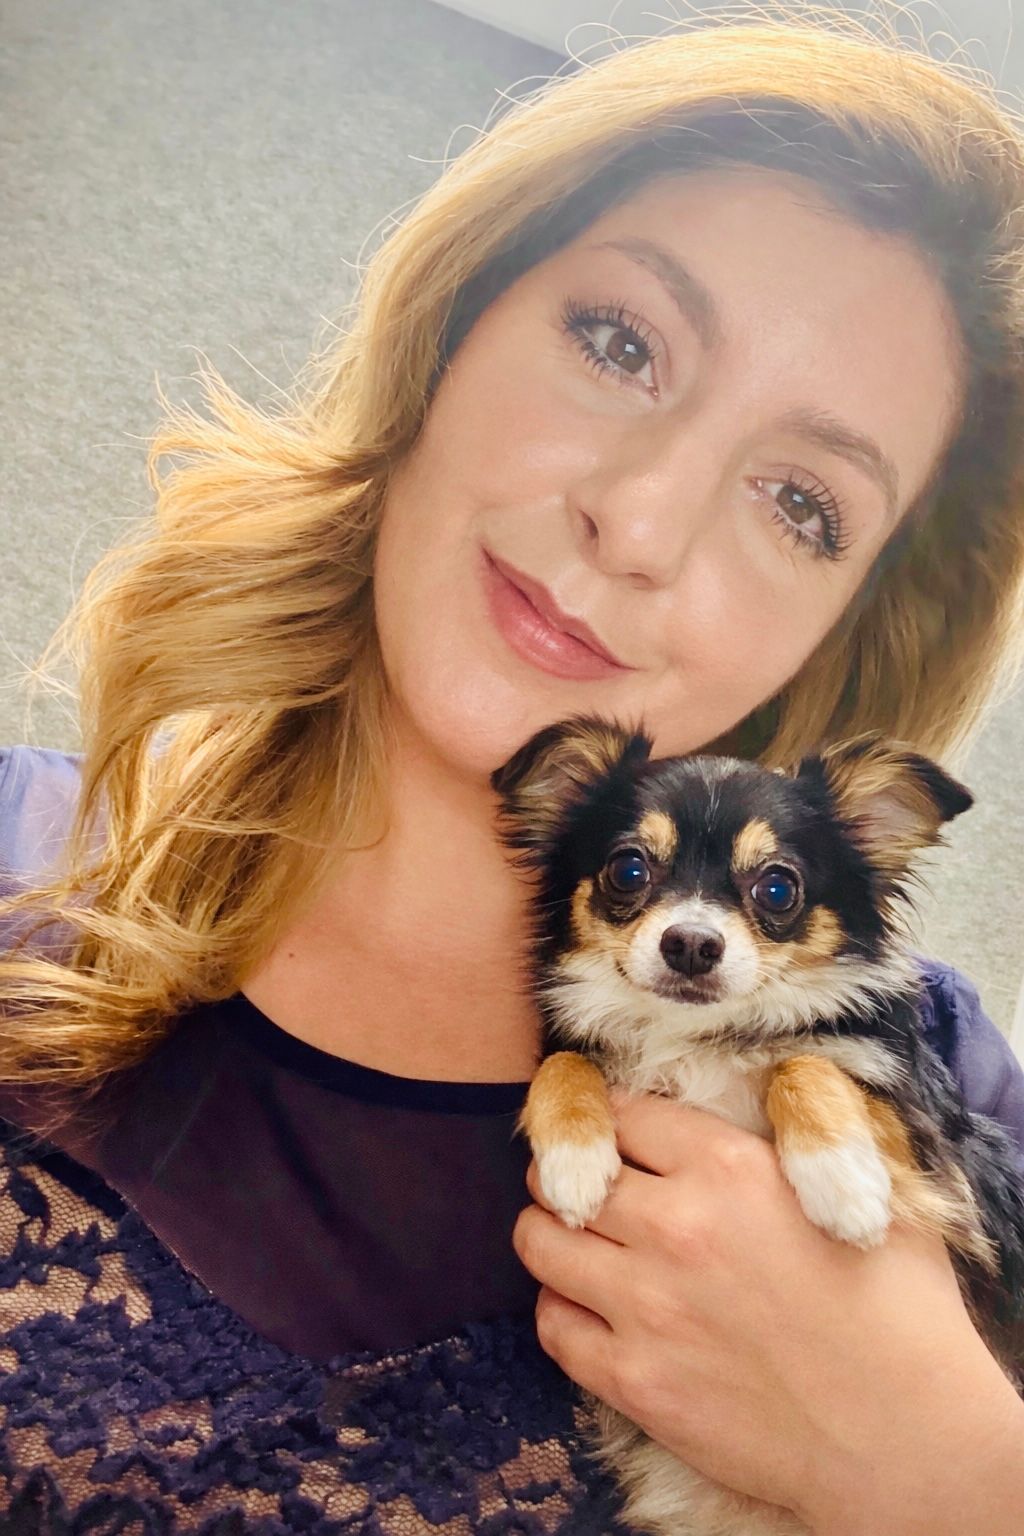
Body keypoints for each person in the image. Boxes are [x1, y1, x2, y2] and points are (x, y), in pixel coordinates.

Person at [2, 7, 1024, 1532]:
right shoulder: (18, 860)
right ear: (454, 323)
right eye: (621, 343)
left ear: (847, 618)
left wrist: (952, 1476)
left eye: (802, 503)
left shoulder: (934, 1070)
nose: (643, 518)